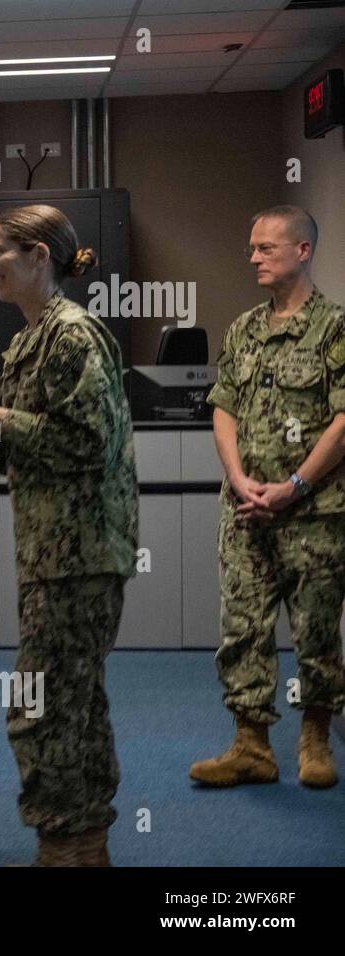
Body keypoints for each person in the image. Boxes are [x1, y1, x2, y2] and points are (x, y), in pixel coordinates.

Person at [0, 204, 138, 866]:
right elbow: (20, 449)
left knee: (43, 705)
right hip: (50, 556)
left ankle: (65, 839)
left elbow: (89, 442)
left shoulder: (74, 337)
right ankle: (83, 842)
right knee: (74, 703)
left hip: (80, 556)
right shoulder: (26, 341)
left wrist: (2, 418)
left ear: (39, 256)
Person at [189, 205, 345, 791]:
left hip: (314, 514)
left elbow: (343, 421)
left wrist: (294, 486)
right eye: (251, 248)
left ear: (302, 251)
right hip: (248, 510)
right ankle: (251, 746)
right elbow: (223, 407)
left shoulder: (335, 327)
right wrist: (238, 478)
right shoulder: (244, 328)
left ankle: (315, 739)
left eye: (266, 249)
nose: (253, 257)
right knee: (243, 629)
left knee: (317, 632)